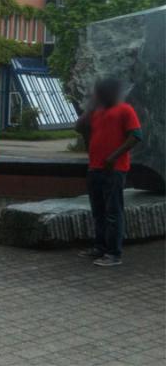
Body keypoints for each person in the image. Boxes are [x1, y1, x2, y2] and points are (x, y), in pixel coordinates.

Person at [75, 79, 141, 267]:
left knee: (113, 212)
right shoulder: (97, 112)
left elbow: (136, 136)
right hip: (94, 168)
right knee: (98, 211)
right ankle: (100, 247)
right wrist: (90, 107)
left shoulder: (125, 110)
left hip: (114, 170)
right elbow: (78, 127)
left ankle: (114, 253)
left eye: (100, 91)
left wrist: (113, 157)